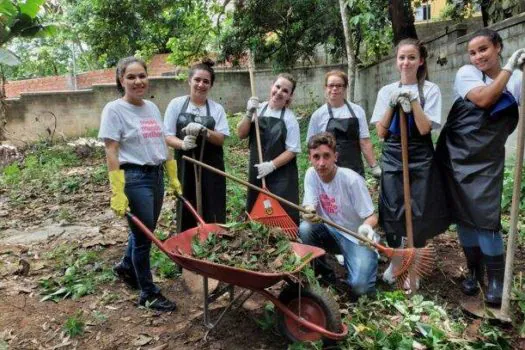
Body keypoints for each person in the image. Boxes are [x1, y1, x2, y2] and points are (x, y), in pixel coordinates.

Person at [435, 28, 525, 306]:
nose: (478, 57)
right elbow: (485, 99)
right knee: (464, 216)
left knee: (486, 218)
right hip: (458, 155)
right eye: (473, 52)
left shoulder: (520, 78)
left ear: (498, 46)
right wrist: (509, 69)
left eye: (483, 49)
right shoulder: (466, 74)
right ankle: (475, 272)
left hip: (487, 158)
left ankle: (497, 281)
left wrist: (516, 72)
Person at [99, 56, 181, 311]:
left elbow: (161, 142)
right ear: (121, 80)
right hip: (134, 178)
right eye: (131, 77)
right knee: (144, 238)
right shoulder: (114, 110)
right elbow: (111, 150)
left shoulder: (152, 108)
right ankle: (148, 292)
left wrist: (173, 174)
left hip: (155, 176)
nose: (138, 81)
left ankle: (126, 266)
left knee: (144, 230)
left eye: (142, 76)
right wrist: (117, 190)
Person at [370, 38, 450, 286]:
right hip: (394, 154)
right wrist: (393, 104)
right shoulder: (385, 91)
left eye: (411, 57)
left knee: (419, 210)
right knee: (393, 209)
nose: (406, 62)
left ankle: (413, 267)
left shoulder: (430, 90)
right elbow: (381, 133)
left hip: (421, 156)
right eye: (402, 57)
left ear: (421, 60)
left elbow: (426, 128)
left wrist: (413, 101)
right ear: (396, 61)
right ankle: (396, 263)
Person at [299, 132, 379, 299]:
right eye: (316, 157)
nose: (321, 163)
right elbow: (309, 205)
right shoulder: (311, 174)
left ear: (335, 156)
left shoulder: (351, 180)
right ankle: (325, 276)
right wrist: (308, 212)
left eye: (326, 156)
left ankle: (365, 260)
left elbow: (372, 216)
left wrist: (366, 228)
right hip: (331, 232)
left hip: (356, 237)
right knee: (306, 228)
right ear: (310, 158)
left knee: (360, 289)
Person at [164, 60, 230, 231]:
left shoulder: (217, 109)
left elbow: (221, 138)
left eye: (206, 81)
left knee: (213, 205)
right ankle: (187, 244)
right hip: (185, 164)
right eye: (197, 80)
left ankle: (215, 240)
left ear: (211, 85)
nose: (201, 84)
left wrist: (205, 131)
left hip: (212, 167)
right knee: (186, 205)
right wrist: (183, 144)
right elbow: (167, 136)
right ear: (189, 81)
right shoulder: (176, 105)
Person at [237, 73, 301, 224]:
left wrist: (271, 165)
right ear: (272, 86)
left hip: (281, 175)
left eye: (285, 91)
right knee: (256, 210)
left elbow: (292, 150)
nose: (279, 92)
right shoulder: (258, 109)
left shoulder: (290, 119)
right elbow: (241, 133)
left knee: (281, 210)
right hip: (257, 171)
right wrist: (248, 113)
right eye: (277, 87)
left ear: (289, 97)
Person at [307, 70, 381, 178]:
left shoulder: (358, 111)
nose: (334, 89)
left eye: (339, 85)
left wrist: (374, 166)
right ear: (325, 88)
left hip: (355, 169)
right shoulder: (317, 115)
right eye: (331, 85)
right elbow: (311, 146)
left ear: (345, 88)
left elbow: (364, 142)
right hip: (328, 171)